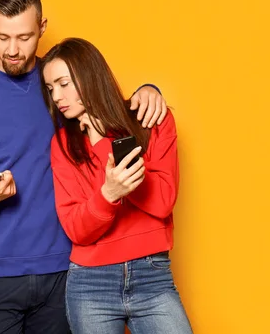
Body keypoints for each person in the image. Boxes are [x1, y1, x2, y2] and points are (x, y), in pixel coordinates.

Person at [0, 0, 168, 334]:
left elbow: (107, 111)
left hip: (64, 272)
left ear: (42, 28)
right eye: (2, 36)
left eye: (24, 38)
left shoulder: (61, 87)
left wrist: (149, 91)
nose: (12, 49)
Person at [40, 37, 192, 334]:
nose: (57, 96)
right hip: (90, 282)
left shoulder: (152, 119)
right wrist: (108, 194)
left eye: (63, 83)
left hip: (152, 275)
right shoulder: (62, 144)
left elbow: (162, 202)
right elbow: (77, 229)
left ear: (89, 76)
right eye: (50, 88)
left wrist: (101, 142)